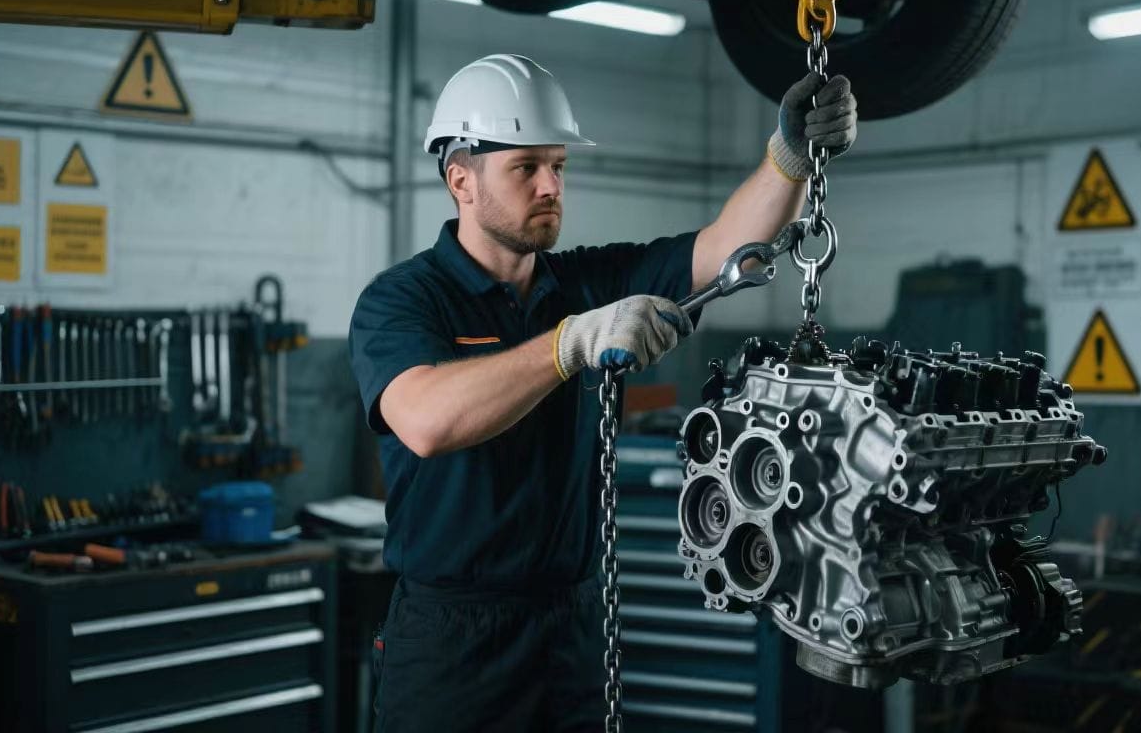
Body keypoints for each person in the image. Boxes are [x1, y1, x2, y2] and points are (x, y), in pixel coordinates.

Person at [349, 52, 856, 732]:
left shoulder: (588, 285)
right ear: (461, 180)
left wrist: (789, 157)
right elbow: (426, 418)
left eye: (557, 166)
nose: (550, 185)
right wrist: (566, 346)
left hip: (571, 625)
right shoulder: (404, 300)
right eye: (524, 168)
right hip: (452, 640)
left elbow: (726, 251)